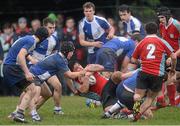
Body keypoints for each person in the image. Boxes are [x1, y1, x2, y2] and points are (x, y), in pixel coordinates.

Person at [11, 41, 85, 123]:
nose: (72, 54)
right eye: (71, 52)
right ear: (66, 51)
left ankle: (27, 112)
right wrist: (83, 72)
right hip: (35, 76)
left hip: (38, 77)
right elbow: (70, 75)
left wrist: (73, 90)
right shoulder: (60, 60)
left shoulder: (62, 59)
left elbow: (67, 76)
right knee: (34, 97)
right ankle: (25, 114)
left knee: (47, 94)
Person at [131, 22, 176, 122]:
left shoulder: (141, 42)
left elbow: (133, 60)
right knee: (150, 98)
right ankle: (137, 115)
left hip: (143, 72)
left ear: (146, 31)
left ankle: (135, 112)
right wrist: (173, 68)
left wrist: (142, 61)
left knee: (138, 95)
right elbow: (173, 56)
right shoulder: (162, 41)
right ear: (157, 31)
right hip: (157, 74)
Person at [3, 27, 49, 96]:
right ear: (43, 38)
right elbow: (20, 56)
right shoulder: (32, 42)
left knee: (30, 90)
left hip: (9, 67)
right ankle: (22, 107)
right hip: (13, 67)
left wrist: (31, 59)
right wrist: (27, 73)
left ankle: (23, 107)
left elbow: (21, 52)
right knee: (32, 90)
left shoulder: (29, 38)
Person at [156, 6, 180, 106]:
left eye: (162, 17)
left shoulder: (177, 25)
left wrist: (173, 55)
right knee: (167, 78)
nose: (160, 20)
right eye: (159, 17)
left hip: (177, 55)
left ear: (167, 16)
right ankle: (169, 103)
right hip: (169, 56)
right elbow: (163, 42)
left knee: (172, 78)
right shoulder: (162, 26)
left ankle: (172, 102)